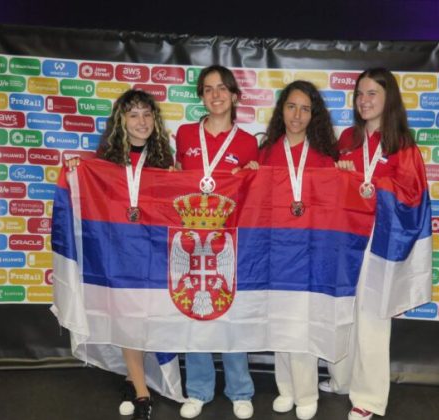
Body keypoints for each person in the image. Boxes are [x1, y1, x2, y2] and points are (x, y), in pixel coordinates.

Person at [319, 68, 431, 420]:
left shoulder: (401, 144)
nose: (364, 101)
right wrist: (339, 175)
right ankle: (342, 379)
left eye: (372, 94)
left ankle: (368, 397)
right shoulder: (348, 138)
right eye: (359, 94)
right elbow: (332, 186)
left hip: (378, 243)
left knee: (372, 318)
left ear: (388, 98)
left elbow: (412, 196)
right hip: (345, 240)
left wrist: (373, 186)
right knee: (342, 310)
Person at [67, 89, 175, 420]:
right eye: (133, 115)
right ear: (121, 121)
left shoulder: (164, 160)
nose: (142, 122)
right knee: (129, 318)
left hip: (154, 253)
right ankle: (142, 393)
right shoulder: (107, 160)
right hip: (120, 252)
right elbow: (90, 191)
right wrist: (76, 168)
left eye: (147, 114)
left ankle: (132, 378)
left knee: (147, 320)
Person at [244, 80, 337, 420]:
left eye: (305, 109)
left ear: (314, 115)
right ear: (281, 110)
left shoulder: (324, 156)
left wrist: (344, 173)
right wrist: (249, 174)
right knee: (280, 324)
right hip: (274, 254)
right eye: (291, 107)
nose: (297, 115)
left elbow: (333, 209)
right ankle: (286, 389)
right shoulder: (267, 152)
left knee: (302, 327)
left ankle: (307, 393)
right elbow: (253, 202)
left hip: (308, 255)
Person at [175, 65, 258, 420]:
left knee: (229, 311)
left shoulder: (248, 142)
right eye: (208, 89)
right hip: (190, 240)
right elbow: (172, 183)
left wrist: (252, 176)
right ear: (201, 96)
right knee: (194, 310)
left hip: (229, 241)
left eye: (222, 88)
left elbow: (254, 196)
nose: (215, 95)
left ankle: (240, 390)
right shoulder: (184, 134)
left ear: (235, 95)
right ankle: (198, 390)